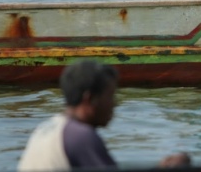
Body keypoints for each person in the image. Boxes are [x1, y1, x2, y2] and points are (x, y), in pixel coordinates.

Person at [17, 60, 190, 171]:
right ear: (90, 99)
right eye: (110, 96)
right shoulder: (81, 136)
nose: (115, 104)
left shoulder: (47, 128)